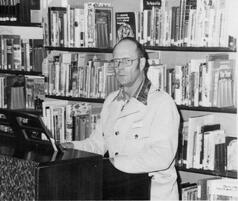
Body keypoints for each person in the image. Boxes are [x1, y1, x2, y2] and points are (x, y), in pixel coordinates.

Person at [60, 37, 180, 200]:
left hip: (152, 194)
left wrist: (114, 163)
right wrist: (71, 147)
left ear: (142, 63)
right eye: (116, 62)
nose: (120, 68)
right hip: (119, 191)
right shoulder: (111, 101)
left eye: (127, 61)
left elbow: (162, 157)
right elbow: (97, 144)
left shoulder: (162, 103)